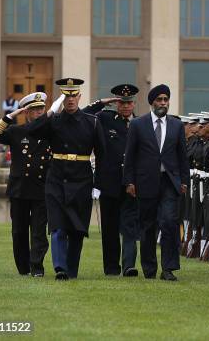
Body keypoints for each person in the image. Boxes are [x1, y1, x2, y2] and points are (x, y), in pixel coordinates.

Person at [24, 78, 105, 280]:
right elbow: (31, 130)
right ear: (63, 97)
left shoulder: (92, 122)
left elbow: (103, 155)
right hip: (57, 179)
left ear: (79, 96)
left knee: (77, 230)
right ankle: (60, 268)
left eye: (73, 95)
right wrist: (50, 111)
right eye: (66, 96)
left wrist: (98, 184)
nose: (70, 100)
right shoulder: (54, 120)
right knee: (58, 227)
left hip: (82, 179)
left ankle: (71, 269)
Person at [123, 84, 189, 281]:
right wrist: (129, 182)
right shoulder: (138, 125)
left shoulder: (177, 125)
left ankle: (168, 268)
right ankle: (149, 268)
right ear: (152, 102)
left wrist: (184, 181)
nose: (163, 103)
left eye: (165, 100)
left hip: (170, 182)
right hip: (145, 182)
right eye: (159, 100)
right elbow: (130, 156)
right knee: (148, 226)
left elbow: (182, 156)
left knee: (169, 222)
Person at [0, 92, 51, 277]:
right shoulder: (17, 131)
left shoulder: (50, 132)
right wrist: (11, 116)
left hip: (41, 188)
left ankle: (37, 267)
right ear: (27, 112)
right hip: (19, 189)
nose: (38, 112)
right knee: (19, 231)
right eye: (34, 110)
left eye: (41, 109)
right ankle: (23, 268)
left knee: (39, 232)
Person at [83, 84, 140, 277]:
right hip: (108, 183)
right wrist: (101, 103)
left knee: (130, 227)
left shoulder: (140, 123)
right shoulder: (105, 119)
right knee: (109, 229)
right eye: (121, 102)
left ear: (134, 103)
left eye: (128, 102)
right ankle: (111, 268)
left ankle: (129, 266)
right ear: (116, 103)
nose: (125, 106)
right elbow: (82, 116)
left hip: (131, 184)